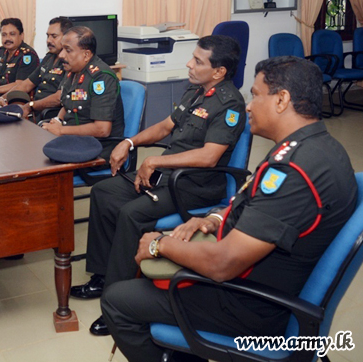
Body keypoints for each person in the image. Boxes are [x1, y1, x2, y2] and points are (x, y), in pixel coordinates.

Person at [101, 56, 358, 361]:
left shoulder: (294, 171)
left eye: (255, 94)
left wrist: (159, 244)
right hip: (265, 284)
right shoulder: (317, 147)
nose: (248, 106)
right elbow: (258, 207)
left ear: (281, 100)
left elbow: (223, 264)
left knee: (117, 300)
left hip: (250, 307)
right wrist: (210, 219)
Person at [71, 35, 246, 336]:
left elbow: (209, 156)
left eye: (198, 61)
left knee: (130, 213)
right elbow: (165, 127)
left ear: (219, 72)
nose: (189, 64)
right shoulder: (195, 92)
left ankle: (117, 299)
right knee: (103, 192)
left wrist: (154, 162)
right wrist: (129, 141)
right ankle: (101, 275)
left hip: (194, 186)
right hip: (168, 177)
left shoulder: (230, 105)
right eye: (192, 57)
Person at [41, 26, 124, 161]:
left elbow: (102, 129)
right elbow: (69, 101)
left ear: (86, 55)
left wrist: (61, 131)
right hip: (74, 139)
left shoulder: (101, 78)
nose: (61, 55)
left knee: (40, 163)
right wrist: (57, 120)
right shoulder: (73, 70)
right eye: (62, 49)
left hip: (96, 146)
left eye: (68, 50)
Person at [2, 17, 73, 121]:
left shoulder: (71, 62)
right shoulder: (49, 58)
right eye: (48, 36)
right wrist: (4, 98)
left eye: (54, 36)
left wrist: (30, 106)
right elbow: (27, 84)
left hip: (52, 116)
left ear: (67, 38)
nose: (49, 40)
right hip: (36, 112)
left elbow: (59, 98)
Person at [0, 18, 39, 98]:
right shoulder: (2, 52)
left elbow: (19, 84)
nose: (7, 38)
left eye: (12, 34)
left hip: (17, 99)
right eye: (4, 35)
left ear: (21, 35)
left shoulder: (27, 55)